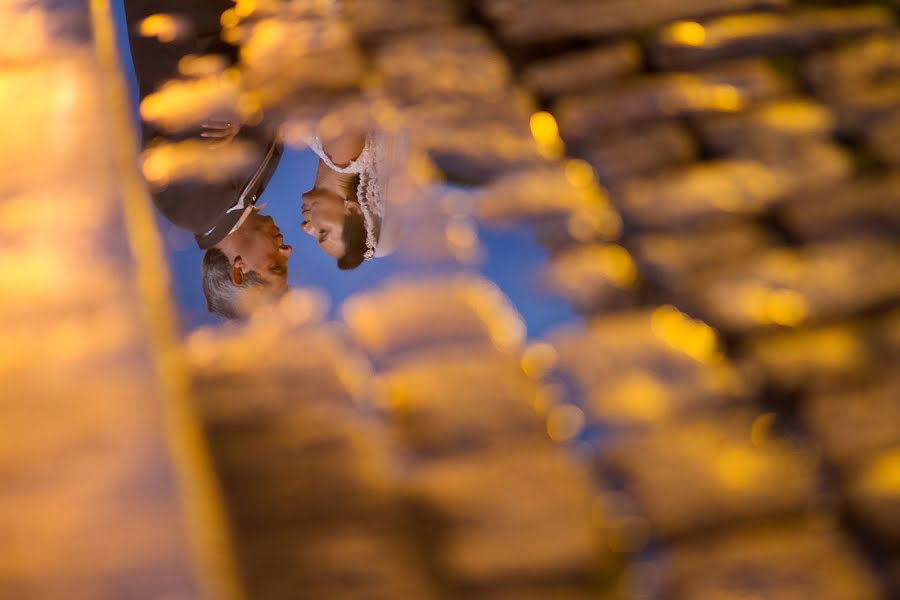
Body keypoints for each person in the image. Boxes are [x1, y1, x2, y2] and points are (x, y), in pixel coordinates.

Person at [124, 0, 290, 318]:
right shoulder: (244, 196)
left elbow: (198, 92)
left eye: (276, 267)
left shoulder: (191, 208)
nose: (287, 251)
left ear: (238, 270)